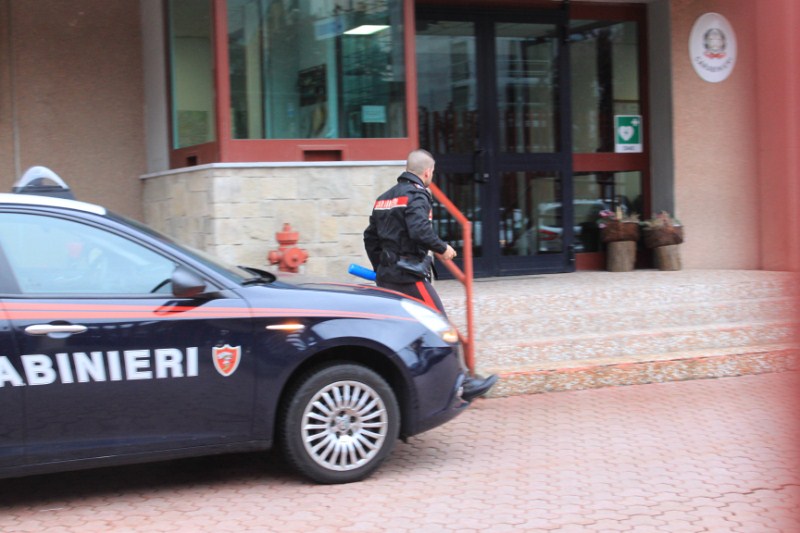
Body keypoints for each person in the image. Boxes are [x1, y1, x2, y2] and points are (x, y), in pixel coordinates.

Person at [363, 149, 498, 402]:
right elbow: (419, 230)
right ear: (427, 172)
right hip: (410, 277)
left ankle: (422, 385)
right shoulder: (417, 194)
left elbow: (369, 237)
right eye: (432, 173)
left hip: (389, 277)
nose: (431, 177)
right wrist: (443, 248)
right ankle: (463, 382)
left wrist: (381, 267)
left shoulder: (384, 198)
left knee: (405, 331)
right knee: (441, 326)